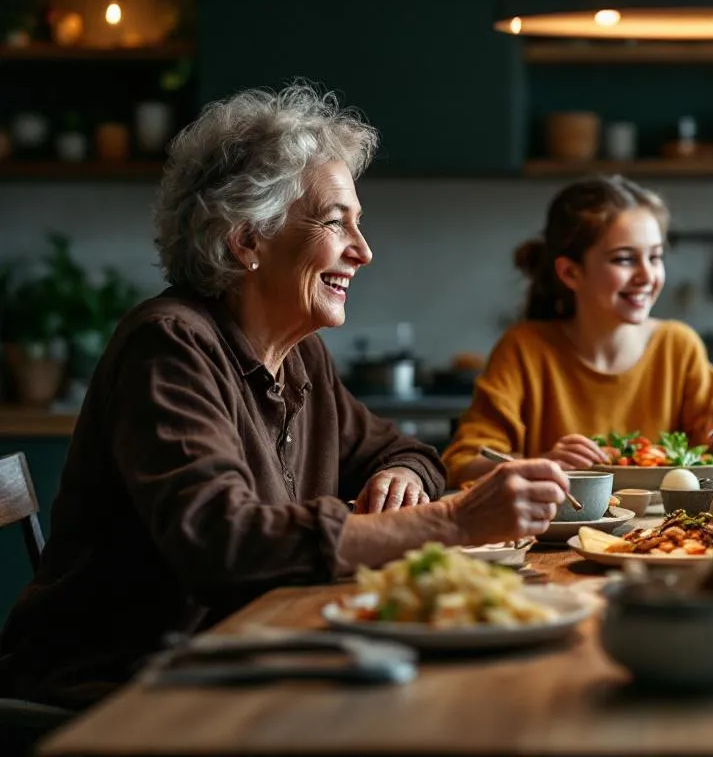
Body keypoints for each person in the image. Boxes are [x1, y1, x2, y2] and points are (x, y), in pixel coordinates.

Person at [0, 84, 570, 710]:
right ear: (247, 240)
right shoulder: (169, 344)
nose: (363, 250)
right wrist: (453, 521)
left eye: (359, 223)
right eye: (335, 222)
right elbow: (225, 542)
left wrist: (405, 474)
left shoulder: (297, 353)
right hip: (122, 692)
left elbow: (401, 449)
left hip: (248, 662)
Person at [442, 176, 713, 486]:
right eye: (624, 259)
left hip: (668, 534)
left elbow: (710, 451)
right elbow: (462, 462)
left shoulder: (679, 347)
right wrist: (537, 465)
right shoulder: (523, 350)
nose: (647, 275)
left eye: (655, 257)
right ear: (571, 272)